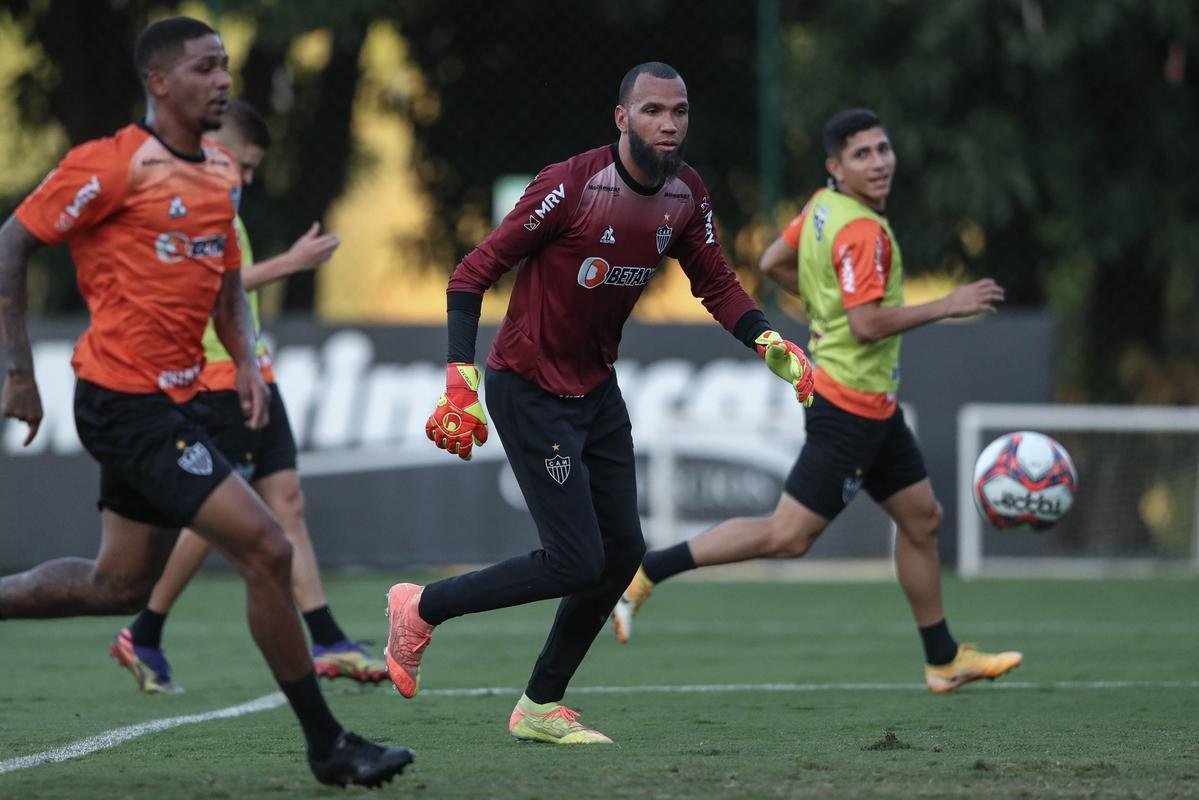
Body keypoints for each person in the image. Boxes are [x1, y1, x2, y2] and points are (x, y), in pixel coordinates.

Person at [0, 17, 410, 787]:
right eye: (202, 68)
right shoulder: (113, 164)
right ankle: (329, 746)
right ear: (159, 83)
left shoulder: (220, 170)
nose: (221, 80)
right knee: (266, 547)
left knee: (114, 585)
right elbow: (12, 242)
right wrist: (17, 373)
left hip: (177, 400)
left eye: (224, 67)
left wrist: (247, 360)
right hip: (124, 403)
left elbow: (224, 271)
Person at [384, 61, 815, 744]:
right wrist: (458, 380)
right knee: (575, 560)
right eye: (651, 111)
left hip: (595, 388)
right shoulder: (571, 185)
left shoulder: (685, 193)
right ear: (622, 118)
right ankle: (420, 606)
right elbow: (471, 274)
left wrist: (769, 342)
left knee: (621, 553)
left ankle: (538, 707)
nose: (668, 123)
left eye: (678, 111)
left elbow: (717, 284)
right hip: (527, 387)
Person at [612, 108, 1023, 695]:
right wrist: (946, 304)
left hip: (871, 406)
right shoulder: (861, 230)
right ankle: (648, 572)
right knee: (788, 535)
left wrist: (823, 307)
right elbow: (866, 323)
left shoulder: (821, 208)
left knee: (922, 518)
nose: (879, 163)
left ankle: (943, 659)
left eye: (883, 149)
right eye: (862, 155)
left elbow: (775, 261)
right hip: (850, 406)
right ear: (837, 166)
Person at [108, 99, 387, 695]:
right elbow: (211, 285)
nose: (251, 178)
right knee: (217, 516)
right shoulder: (188, 201)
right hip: (213, 376)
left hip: (252, 372)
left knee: (286, 502)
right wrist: (293, 263)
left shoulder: (225, 205)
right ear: (218, 149)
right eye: (248, 163)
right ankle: (145, 630)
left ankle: (329, 639)